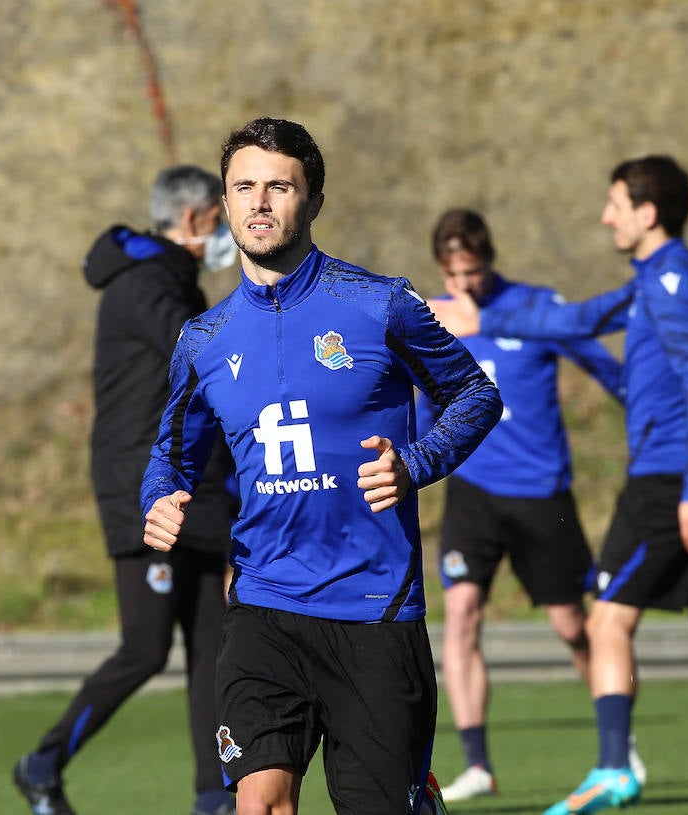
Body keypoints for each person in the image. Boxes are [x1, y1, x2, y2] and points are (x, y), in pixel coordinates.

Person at [141, 117, 501, 815]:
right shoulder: (203, 339)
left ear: (314, 201)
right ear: (225, 201)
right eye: (244, 186)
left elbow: (475, 394)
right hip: (262, 606)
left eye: (280, 186)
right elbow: (170, 454)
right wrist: (161, 496)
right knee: (261, 802)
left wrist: (415, 463)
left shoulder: (380, 304)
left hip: (373, 608)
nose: (260, 202)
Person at [430, 156, 688, 815]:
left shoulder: (669, 284)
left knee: (606, 619)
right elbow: (575, 321)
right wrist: (485, 323)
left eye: (614, 203)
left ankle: (613, 767)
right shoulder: (657, 277)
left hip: (672, 477)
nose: (606, 215)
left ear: (646, 212)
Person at [12, 165, 241, 815]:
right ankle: (43, 761)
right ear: (196, 219)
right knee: (145, 647)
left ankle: (212, 795)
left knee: (211, 646)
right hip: (145, 494)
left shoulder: (172, 280)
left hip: (196, 494)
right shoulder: (145, 287)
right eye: (222, 219)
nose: (226, 233)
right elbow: (202, 354)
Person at [420, 208, 628, 803]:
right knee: (460, 615)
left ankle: (617, 747)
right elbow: (420, 404)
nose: (466, 285)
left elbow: (603, 367)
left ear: (489, 259)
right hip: (472, 493)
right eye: (454, 275)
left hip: (541, 494)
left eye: (474, 271)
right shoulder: (433, 317)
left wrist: (650, 412)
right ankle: (479, 764)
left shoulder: (535, 307)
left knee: (571, 626)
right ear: (441, 269)